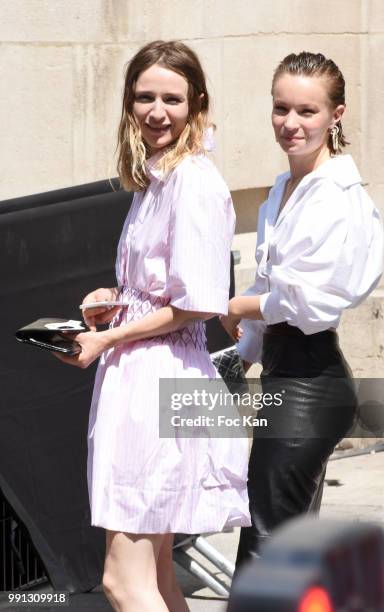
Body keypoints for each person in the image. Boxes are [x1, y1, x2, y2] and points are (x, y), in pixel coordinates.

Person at [53, 40, 250, 612]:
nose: (157, 111)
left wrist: (107, 339)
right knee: (160, 576)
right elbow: (164, 289)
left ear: (196, 105)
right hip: (148, 376)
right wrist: (113, 301)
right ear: (128, 103)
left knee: (123, 581)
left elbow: (199, 303)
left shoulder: (192, 181)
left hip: (158, 386)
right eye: (145, 97)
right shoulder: (157, 177)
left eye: (172, 98)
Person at [220, 51, 383, 568]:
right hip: (284, 377)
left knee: (265, 549)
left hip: (310, 386)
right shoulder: (281, 188)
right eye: (280, 108)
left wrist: (236, 305)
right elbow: (273, 285)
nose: (290, 124)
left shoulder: (336, 195)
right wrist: (243, 350)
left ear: (336, 115)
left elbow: (307, 301)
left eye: (307, 112)